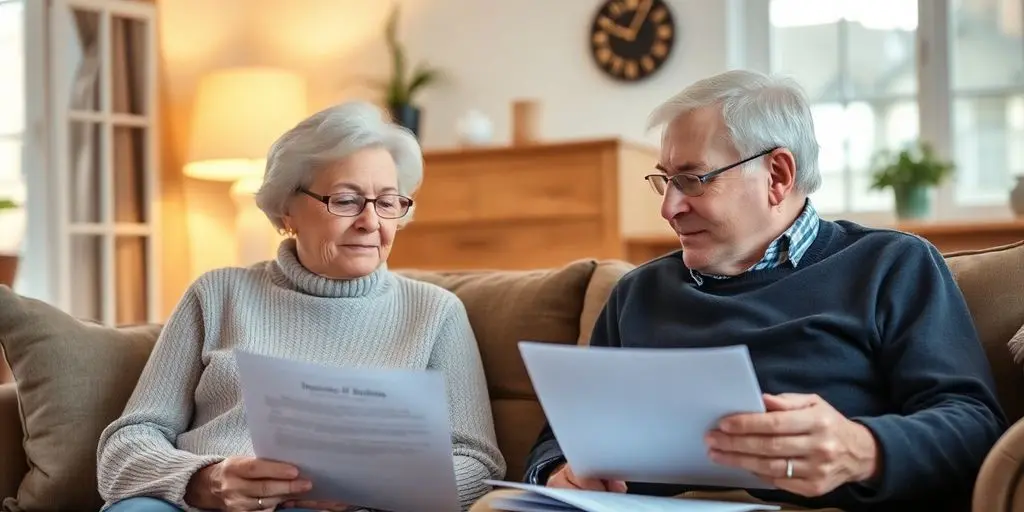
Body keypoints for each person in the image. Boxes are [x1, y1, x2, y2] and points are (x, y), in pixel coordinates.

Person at [472, 70, 1007, 512]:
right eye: (665, 180)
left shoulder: (890, 265)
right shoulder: (639, 293)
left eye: (694, 179)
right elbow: (560, 437)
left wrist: (865, 450)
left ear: (777, 174)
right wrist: (559, 474)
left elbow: (975, 426)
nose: (668, 208)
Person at [96, 101, 506, 512]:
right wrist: (205, 481)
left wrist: (367, 490)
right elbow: (128, 442)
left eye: (387, 202)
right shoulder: (217, 294)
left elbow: (476, 462)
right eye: (346, 201)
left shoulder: (435, 313)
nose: (370, 222)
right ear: (287, 209)